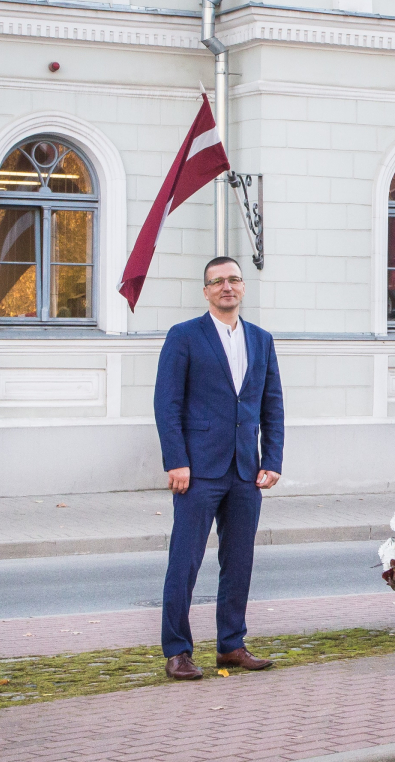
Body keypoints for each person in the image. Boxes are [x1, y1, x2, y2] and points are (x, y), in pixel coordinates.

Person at [154, 257, 284, 680]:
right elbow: (167, 404)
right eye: (217, 281)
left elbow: (272, 405)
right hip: (198, 470)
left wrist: (272, 460)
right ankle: (177, 651)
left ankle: (231, 644)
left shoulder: (261, 339)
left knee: (239, 561)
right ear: (206, 290)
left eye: (233, 279)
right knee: (185, 562)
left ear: (243, 287)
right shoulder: (184, 336)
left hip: (246, 470)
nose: (226, 287)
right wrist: (176, 460)